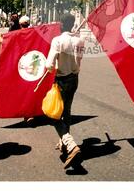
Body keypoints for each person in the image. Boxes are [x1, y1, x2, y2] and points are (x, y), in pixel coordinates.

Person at [45, 13, 85, 169]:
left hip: (61, 80)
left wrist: (50, 66)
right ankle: (64, 143)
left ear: (61, 24)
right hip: (74, 79)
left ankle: (70, 144)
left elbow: (49, 65)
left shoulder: (58, 40)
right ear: (73, 24)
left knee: (53, 114)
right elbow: (79, 60)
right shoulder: (80, 40)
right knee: (66, 112)